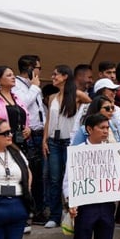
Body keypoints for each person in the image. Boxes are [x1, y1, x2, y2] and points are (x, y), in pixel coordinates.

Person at [43, 65, 81, 228]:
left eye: (55, 74)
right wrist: (44, 140)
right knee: (54, 178)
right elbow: (48, 120)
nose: (53, 77)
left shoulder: (77, 95)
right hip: (53, 140)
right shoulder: (52, 97)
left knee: (71, 177)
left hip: (69, 141)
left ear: (65, 76)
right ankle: (54, 214)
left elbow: (93, 107)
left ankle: (71, 210)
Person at [12, 55, 46, 225]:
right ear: (31, 68)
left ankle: (39, 210)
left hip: (40, 133)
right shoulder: (17, 85)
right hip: (28, 134)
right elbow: (22, 105)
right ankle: (27, 211)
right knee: (29, 173)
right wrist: (34, 88)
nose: (40, 71)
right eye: (39, 68)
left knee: (40, 175)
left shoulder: (33, 86)